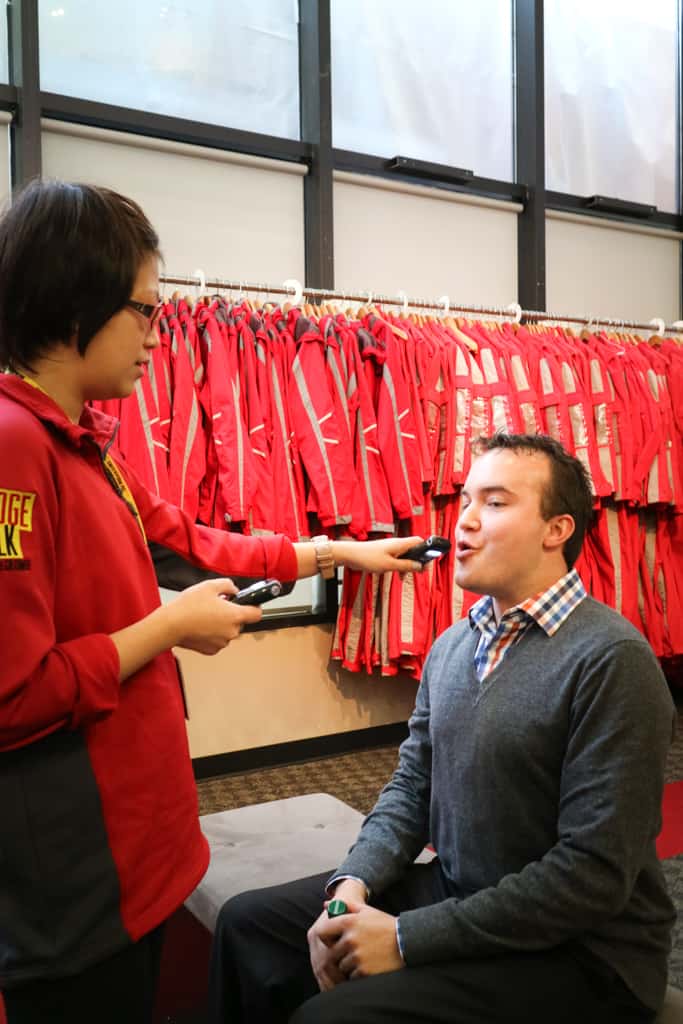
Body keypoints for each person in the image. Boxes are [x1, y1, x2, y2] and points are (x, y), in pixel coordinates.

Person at [0, 179, 425, 1024]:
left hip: (130, 837)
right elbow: (13, 692)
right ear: (73, 301)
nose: (158, 336)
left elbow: (191, 540)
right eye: (145, 311)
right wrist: (168, 627)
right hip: (77, 862)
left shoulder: (81, 439)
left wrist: (336, 549)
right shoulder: (15, 447)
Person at [209, 433, 677, 1024]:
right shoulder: (455, 645)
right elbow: (410, 791)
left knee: (335, 1017)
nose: (466, 523)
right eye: (466, 502)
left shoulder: (612, 660)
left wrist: (405, 938)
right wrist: (351, 884)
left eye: (496, 503)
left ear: (557, 530)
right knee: (248, 926)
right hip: (462, 891)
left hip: (585, 951)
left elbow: (592, 877)